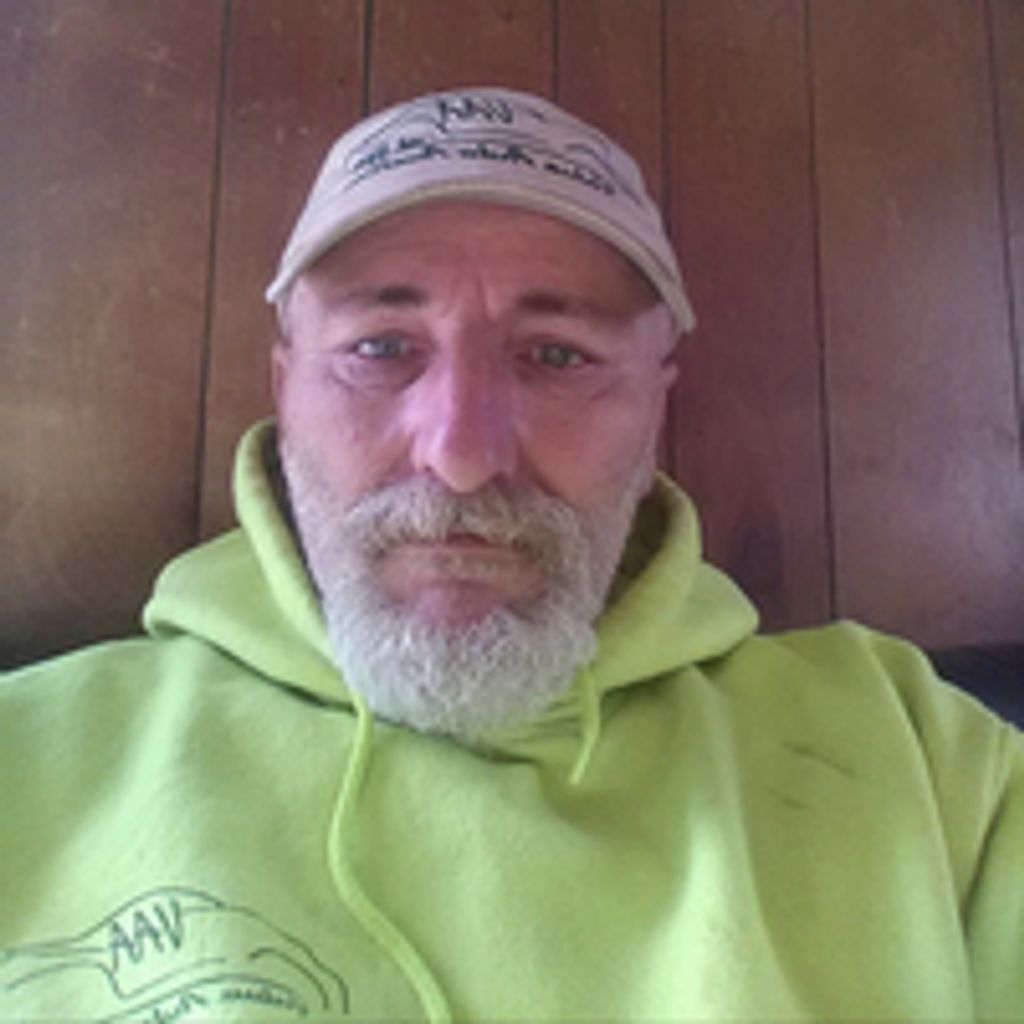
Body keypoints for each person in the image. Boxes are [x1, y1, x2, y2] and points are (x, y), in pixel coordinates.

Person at [1, 87, 1020, 1023]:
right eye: (380, 347)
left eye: (557, 356)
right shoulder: (26, 758)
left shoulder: (933, 773)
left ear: (655, 407)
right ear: (285, 388)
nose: (459, 456)